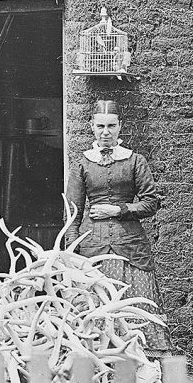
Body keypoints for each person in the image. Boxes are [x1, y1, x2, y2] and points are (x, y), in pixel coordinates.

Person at [65, 100, 169, 355]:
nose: (106, 132)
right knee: (97, 309)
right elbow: (72, 213)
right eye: (100, 126)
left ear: (120, 127)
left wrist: (121, 210)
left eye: (111, 126)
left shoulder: (135, 161)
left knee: (138, 305)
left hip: (131, 249)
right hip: (94, 248)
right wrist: (71, 252)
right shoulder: (82, 164)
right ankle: (105, 373)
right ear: (92, 127)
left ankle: (144, 372)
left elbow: (151, 202)